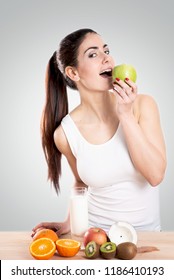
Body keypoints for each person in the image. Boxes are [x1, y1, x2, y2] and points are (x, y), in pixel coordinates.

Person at [32, 28, 166, 238]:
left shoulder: (142, 106)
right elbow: (81, 182)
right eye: (93, 54)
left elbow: (155, 175)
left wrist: (126, 116)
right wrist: (69, 222)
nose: (107, 59)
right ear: (73, 73)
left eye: (106, 50)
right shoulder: (65, 134)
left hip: (148, 235)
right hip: (94, 237)